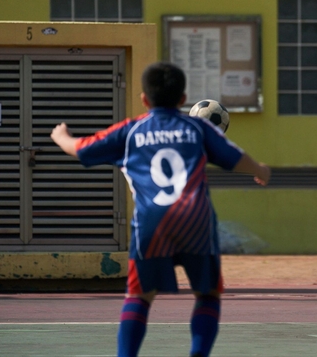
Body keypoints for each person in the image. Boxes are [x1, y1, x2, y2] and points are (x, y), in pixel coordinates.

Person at [51, 61, 271, 357]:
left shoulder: (131, 131)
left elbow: (81, 148)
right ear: (183, 99)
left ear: (144, 99)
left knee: (139, 296)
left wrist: (61, 136)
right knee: (208, 294)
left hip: (152, 222)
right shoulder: (197, 128)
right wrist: (261, 171)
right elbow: (236, 157)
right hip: (196, 219)